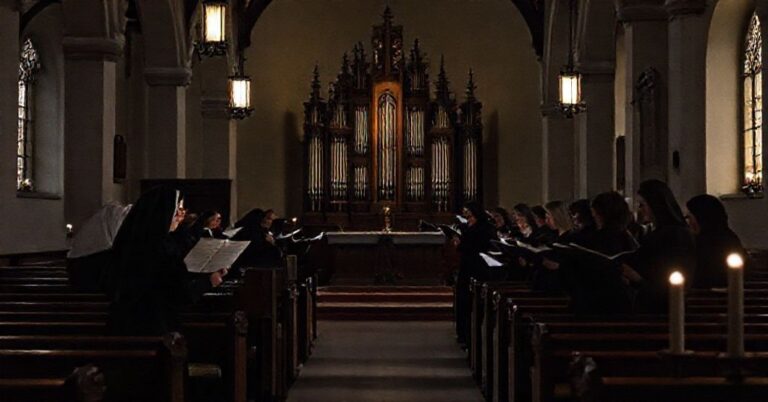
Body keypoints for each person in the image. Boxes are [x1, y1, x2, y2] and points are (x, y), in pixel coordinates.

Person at [107, 187, 227, 336]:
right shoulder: (158, 247)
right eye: (178, 209)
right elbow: (175, 292)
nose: (180, 215)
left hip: (130, 321)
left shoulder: (136, 241)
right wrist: (209, 281)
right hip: (152, 325)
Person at [622, 180, 695, 313]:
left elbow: (664, 278)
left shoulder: (673, 235)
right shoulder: (663, 233)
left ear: (656, 205)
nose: (640, 210)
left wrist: (636, 278)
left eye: (642, 205)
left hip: (662, 307)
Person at [451, 201, 497, 345]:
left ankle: (471, 337)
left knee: (473, 304)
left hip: (477, 268)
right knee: (463, 302)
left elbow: (477, 245)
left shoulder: (484, 228)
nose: (467, 217)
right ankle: (463, 334)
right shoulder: (468, 227)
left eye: (469, 214)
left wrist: (460, 244)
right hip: (466, 267)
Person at [686, 194, 746, 288]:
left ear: (701, 217)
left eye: (690, 218)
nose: (688, 223)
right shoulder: (728, 237)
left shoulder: (714, 242)